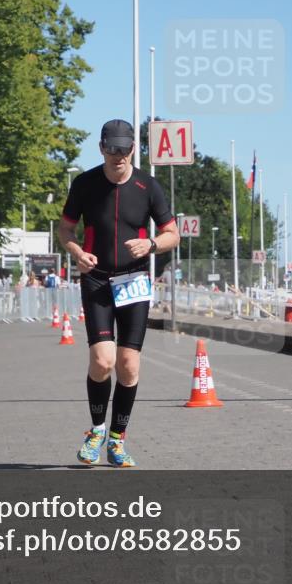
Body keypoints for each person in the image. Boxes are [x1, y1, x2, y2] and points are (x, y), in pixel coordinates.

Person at [58, 119, 178, 468]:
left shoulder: (148, 186)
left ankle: (117, 438)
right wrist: (77, 252)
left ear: (133, 150)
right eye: (112, 150)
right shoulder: (85, 184)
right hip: (96, 279)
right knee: (103, 361)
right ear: (101, 148)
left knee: (128, 365)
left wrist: (152, 244)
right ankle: (96, 430)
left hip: (134, 283)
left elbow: (173, 234)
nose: (118, 156)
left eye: (124, 150)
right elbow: (65, 228)